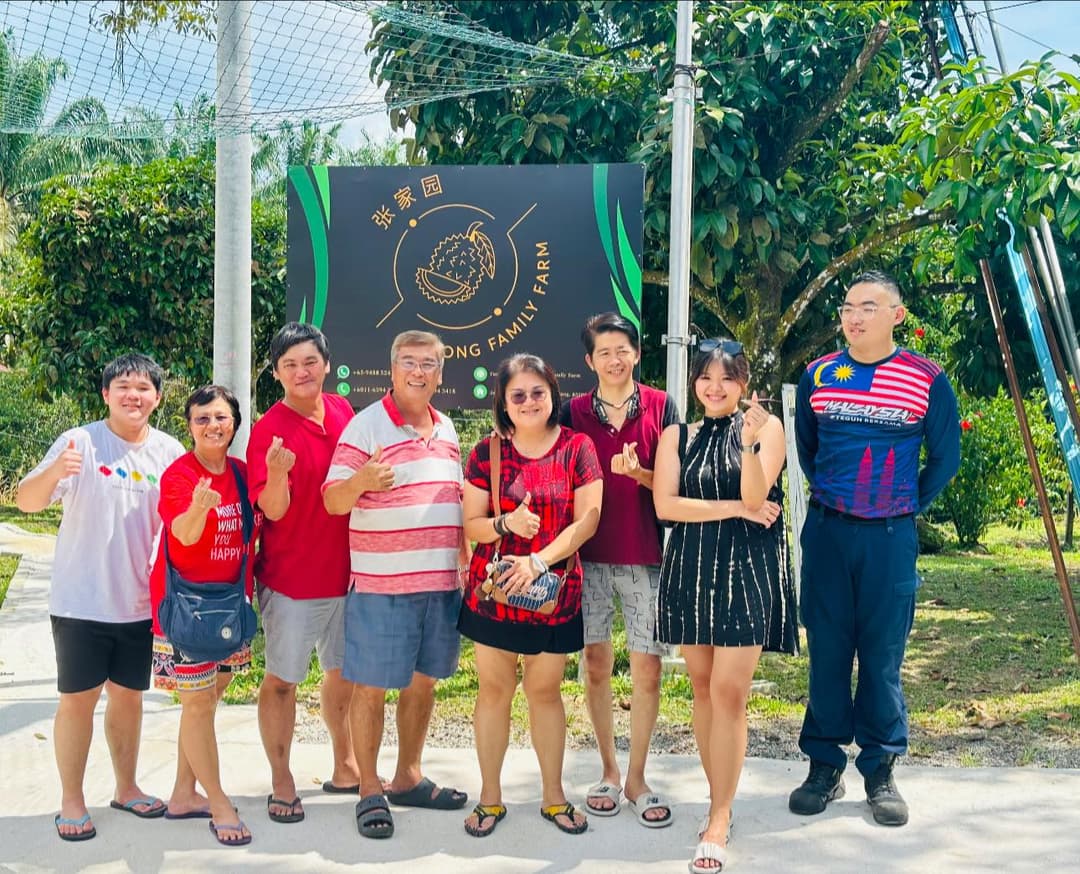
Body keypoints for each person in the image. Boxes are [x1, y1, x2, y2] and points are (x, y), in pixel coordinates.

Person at [790, 270, 960, 828]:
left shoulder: (926, 380)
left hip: (890, 536)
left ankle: (881, 768)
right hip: (828, 533)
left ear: (897, 315)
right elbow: (809, 453)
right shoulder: (820, 375)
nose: (853, 317)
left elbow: (944, 458)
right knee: (829, 651)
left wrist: (903, 504)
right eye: (846, 307)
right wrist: (839, 503)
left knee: (882, 655)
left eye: (868, 306)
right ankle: (823, 765)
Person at [17, 354, 184, 842]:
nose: (134, 395)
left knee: (129, 700)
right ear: (106, 394)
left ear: (157, 396)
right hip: (80, 601)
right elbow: (27, 500)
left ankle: (126, 787)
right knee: (77, 701)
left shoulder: (169, 451)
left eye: (144, 387)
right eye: (123, 386)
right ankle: (71, 799)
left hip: (137, 604)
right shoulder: (80, 442)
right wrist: (53, 474)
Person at [653, 339, 797, 874]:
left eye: (727, 378)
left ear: (743, 382)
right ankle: (719, 794)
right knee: (701, 688)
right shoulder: (677, 436)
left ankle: (718, 816)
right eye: (705, 377)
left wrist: (752, 447)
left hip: (745, 572)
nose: (715, 387)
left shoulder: (768, 429)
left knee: (729, 692)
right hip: (691, 569)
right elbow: (667, 505)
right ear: (693, 382)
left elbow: (759, 498)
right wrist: (734, 508)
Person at [323, 330, 469, 840]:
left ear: (440, 372)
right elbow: (333, 501)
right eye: (409, 362)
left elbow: (453, 502)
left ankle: (407, 776)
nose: (419, 371)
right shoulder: (365, 427)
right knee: (371, 689)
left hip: (440, 584)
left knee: (423, 682)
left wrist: (464, 555)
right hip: (383, 586)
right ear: (392, 368)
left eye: (429, 363)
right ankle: (369, 787)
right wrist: (361, 481)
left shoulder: (447, 429)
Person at [459, 353, 603, 839]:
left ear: (553, 394)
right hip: (494, 593)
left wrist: (538, 560)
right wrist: (507, 524)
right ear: (502, 401)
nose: (528, 402)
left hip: (554, 592)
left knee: (545, 692)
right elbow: (472, 526)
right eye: (517, 394)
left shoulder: (578, 448)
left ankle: (553, 796)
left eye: (537, 392)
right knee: (494, 692)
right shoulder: (486, 452)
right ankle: (490, 798)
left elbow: (590, 520)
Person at [558, 312, 679, 827]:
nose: (614, 359)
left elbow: (674, 488)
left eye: (622, 350)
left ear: (636, 353)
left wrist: (639, 472)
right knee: (595, 664)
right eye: (603, 352)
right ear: (589, 361)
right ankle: (608, 769)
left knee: (648, 668)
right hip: (588, 559)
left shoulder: (662, 406)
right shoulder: (571, 411)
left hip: (645, 557)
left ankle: (638, 778)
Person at [245, 322, 359, 825]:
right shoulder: (268, 430)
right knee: (283, 681)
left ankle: (345, 762)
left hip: (350, 576)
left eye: (309, 361)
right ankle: (282, 777)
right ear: (276, 374)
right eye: (289, 365)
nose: (301, 372)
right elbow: (273, 509)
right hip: (292, 581)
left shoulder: (342, 411)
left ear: (327, 365)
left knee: (342, 675)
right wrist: (274, 474)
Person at [148, 385, 259, 846]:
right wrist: (197, 506)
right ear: (189, 426)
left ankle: (182, 794)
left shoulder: (240, 472)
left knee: (205, 704)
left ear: (234, 421)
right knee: (196, 705)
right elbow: (184, 537)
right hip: (186, 610)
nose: (213, 426)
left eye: (221, 417)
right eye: (202, 419)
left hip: (230, 607)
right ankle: (218, 804)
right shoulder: (179, 475)